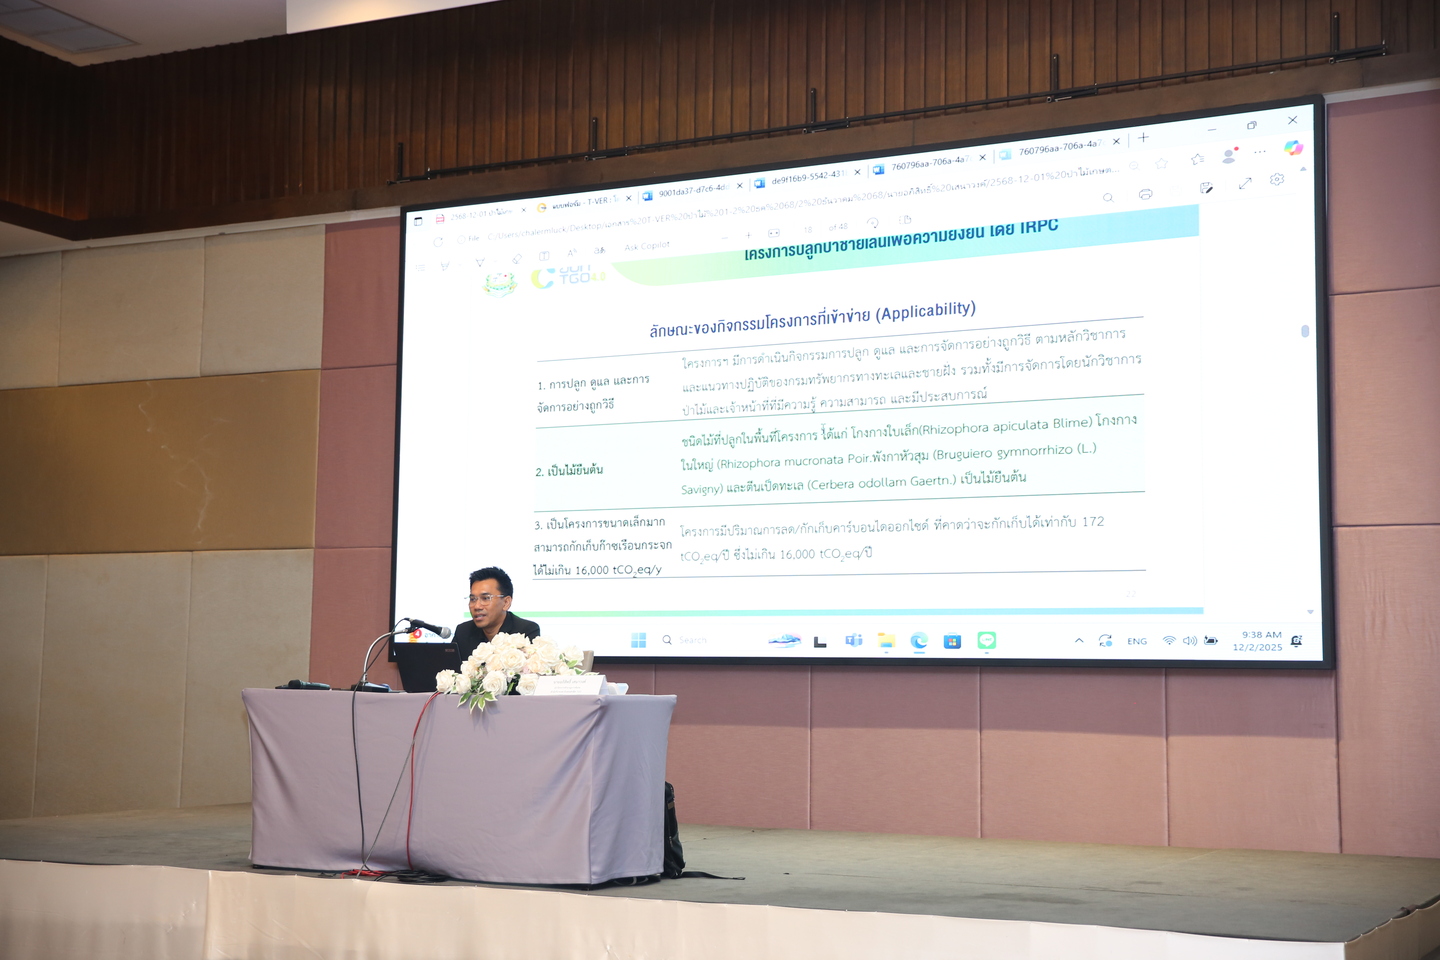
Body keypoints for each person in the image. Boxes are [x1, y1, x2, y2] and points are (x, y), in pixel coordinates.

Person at [453, 566, 540, 661]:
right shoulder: (463, 632)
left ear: (506, 603)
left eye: (486, 598)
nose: (477, 606)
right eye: (473, 599)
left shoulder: (525, 631)